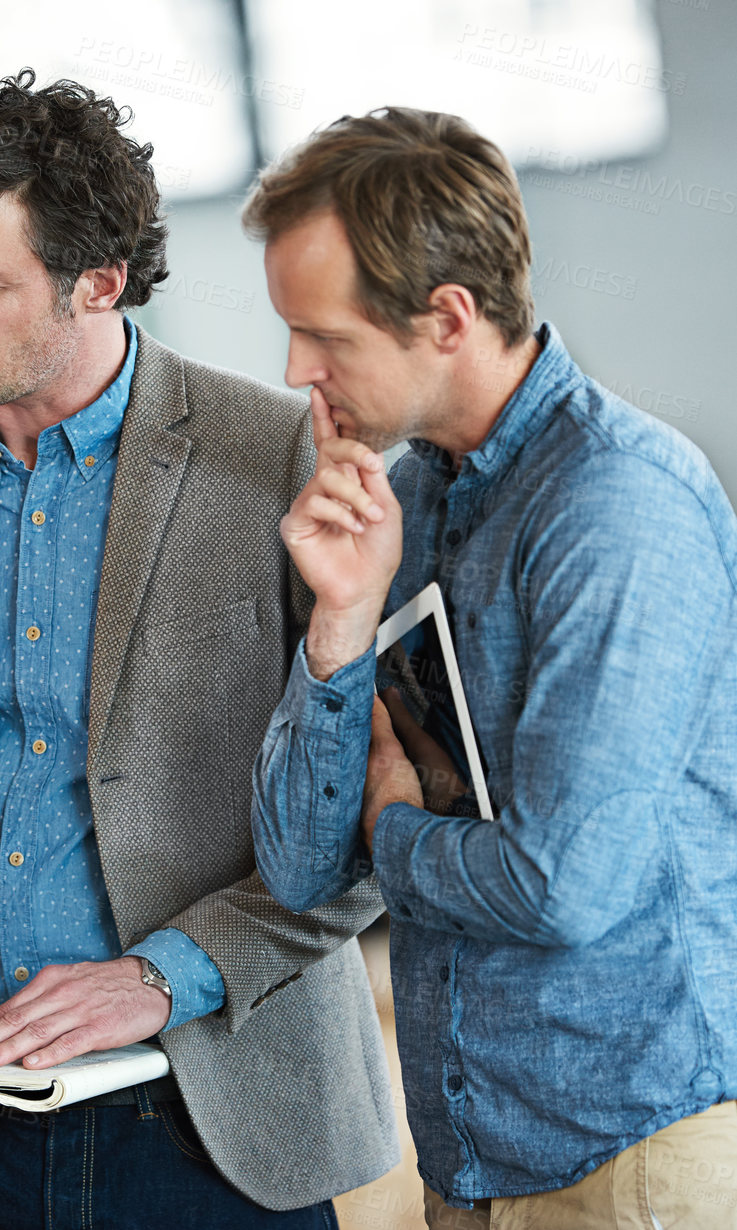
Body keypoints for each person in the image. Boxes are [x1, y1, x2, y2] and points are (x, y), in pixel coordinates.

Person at [0, 70, 398, 1228]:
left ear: (96, 282)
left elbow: (360, 826)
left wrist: (160, 978)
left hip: (217, 1133)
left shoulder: (278, 459)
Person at [246, 106, 737, 1227]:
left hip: (637, 1161)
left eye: (323, 337)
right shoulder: (396, 507)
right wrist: (335, 629)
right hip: (472, 1159)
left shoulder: (617, 509)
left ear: (446, 318)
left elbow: (565, 884)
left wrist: (391, 829)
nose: (292, 371)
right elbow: (298, 870)